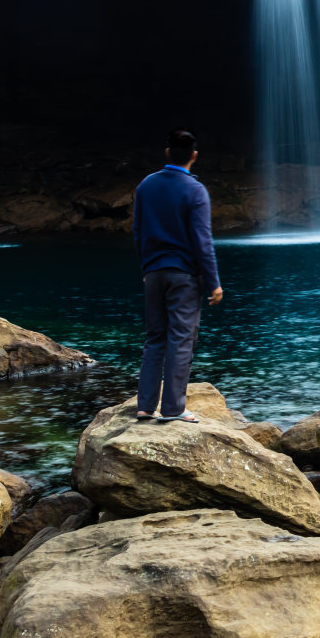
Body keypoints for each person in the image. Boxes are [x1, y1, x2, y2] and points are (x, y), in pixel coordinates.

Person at [132, 128, 223, 423]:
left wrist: (146, 268)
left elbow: (138, 232)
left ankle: (145, 406)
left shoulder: (146, 185)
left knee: (154, 338)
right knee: (182, 338)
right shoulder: (195, 190)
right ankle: (173, 408)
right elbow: (202, 241)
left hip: (154, 273)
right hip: (183, 275)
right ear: (194, 156)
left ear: (167, 152)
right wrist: (213, 283)